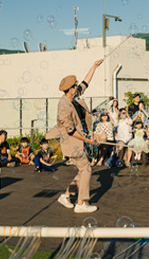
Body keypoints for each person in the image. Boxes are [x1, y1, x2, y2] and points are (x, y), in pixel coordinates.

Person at [47, 59, 102, 213]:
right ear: (70, 89)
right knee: (86, 169)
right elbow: (70, 131)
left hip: (79, 139)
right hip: (71, 142)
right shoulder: (63, 106)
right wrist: (88, 139)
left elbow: (86, 82)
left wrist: (94, 67)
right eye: (75, 85)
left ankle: (66, 195)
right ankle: (81, 203)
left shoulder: (74, 95)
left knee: (82, 170)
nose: (78, 86)